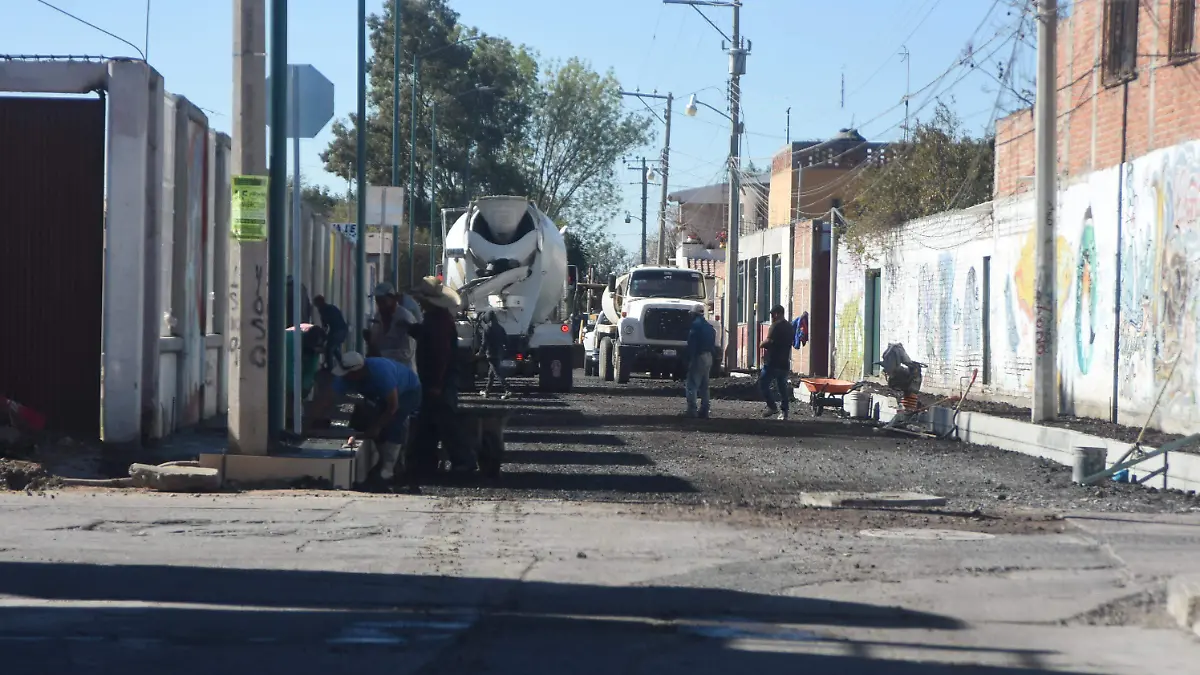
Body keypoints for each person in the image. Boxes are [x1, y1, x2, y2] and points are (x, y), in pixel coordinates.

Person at [409, 276, 472, 478]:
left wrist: (436, 383)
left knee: (446, 421)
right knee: (430, 420)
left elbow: (440, 353)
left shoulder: (437, 322)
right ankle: (426, 461)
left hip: (439, 378)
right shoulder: (438, 318)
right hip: (438, 377)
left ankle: (463, 460)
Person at [330, 351, 422, 489]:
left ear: (358, 371)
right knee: (365, 419)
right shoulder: (346, 377)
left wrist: (377, 427)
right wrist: (310, 422)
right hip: (380, 394)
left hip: (408, 391)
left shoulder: (381, 374)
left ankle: (388, 470)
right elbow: (326, 399)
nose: (345, 377)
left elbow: (393, 406)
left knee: (393, 423)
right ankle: (377, 460)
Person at [366, 282, 420, 370]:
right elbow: (376, 344)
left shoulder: (405, 317)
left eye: (383, 301)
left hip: (403, 372)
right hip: (384, 370)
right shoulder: (379, 316)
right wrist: (370, 340)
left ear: (393, 299)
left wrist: (381, 354)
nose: (380, 306)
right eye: (378, 301)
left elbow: (406, 353)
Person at [759, 305, 795, 420]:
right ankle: (784, 412)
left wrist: (761, 344)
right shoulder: (790, 327)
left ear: (778, 313)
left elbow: (768, 342)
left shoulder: (775, 326)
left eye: (772, 314)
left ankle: (772, 406)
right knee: (782, 387)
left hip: (772, 361)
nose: (772, 317)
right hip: (784, 362)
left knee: (763, 383)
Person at [684, 304, 716, 418]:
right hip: (709, 357)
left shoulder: (695, 326)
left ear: (694, 314)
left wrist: (690, 359)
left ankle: (692, 411)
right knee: (704, 385)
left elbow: (692, 344)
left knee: (692, 384)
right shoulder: (709, 326)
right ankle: (705, 410)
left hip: (699, 356)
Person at [312, 295, 348, 370]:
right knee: (333, 349)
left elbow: (328, 325)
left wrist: (325, 336)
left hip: (339, 330)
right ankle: (343, 365)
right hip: (338, 330)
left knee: (330, 348)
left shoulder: (327, 309)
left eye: (316, 304)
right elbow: (325, 325)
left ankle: (330, 369)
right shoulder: (326, 309)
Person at [480, 311, 510, 399]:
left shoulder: (487, 328)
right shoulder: (500, 328)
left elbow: (484, 343)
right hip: (499, 353)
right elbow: (506, 341)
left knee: (498, 374)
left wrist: (480, 352)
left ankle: (508, 390)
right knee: (491, 374)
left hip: (491, 353)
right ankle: (487, 392)